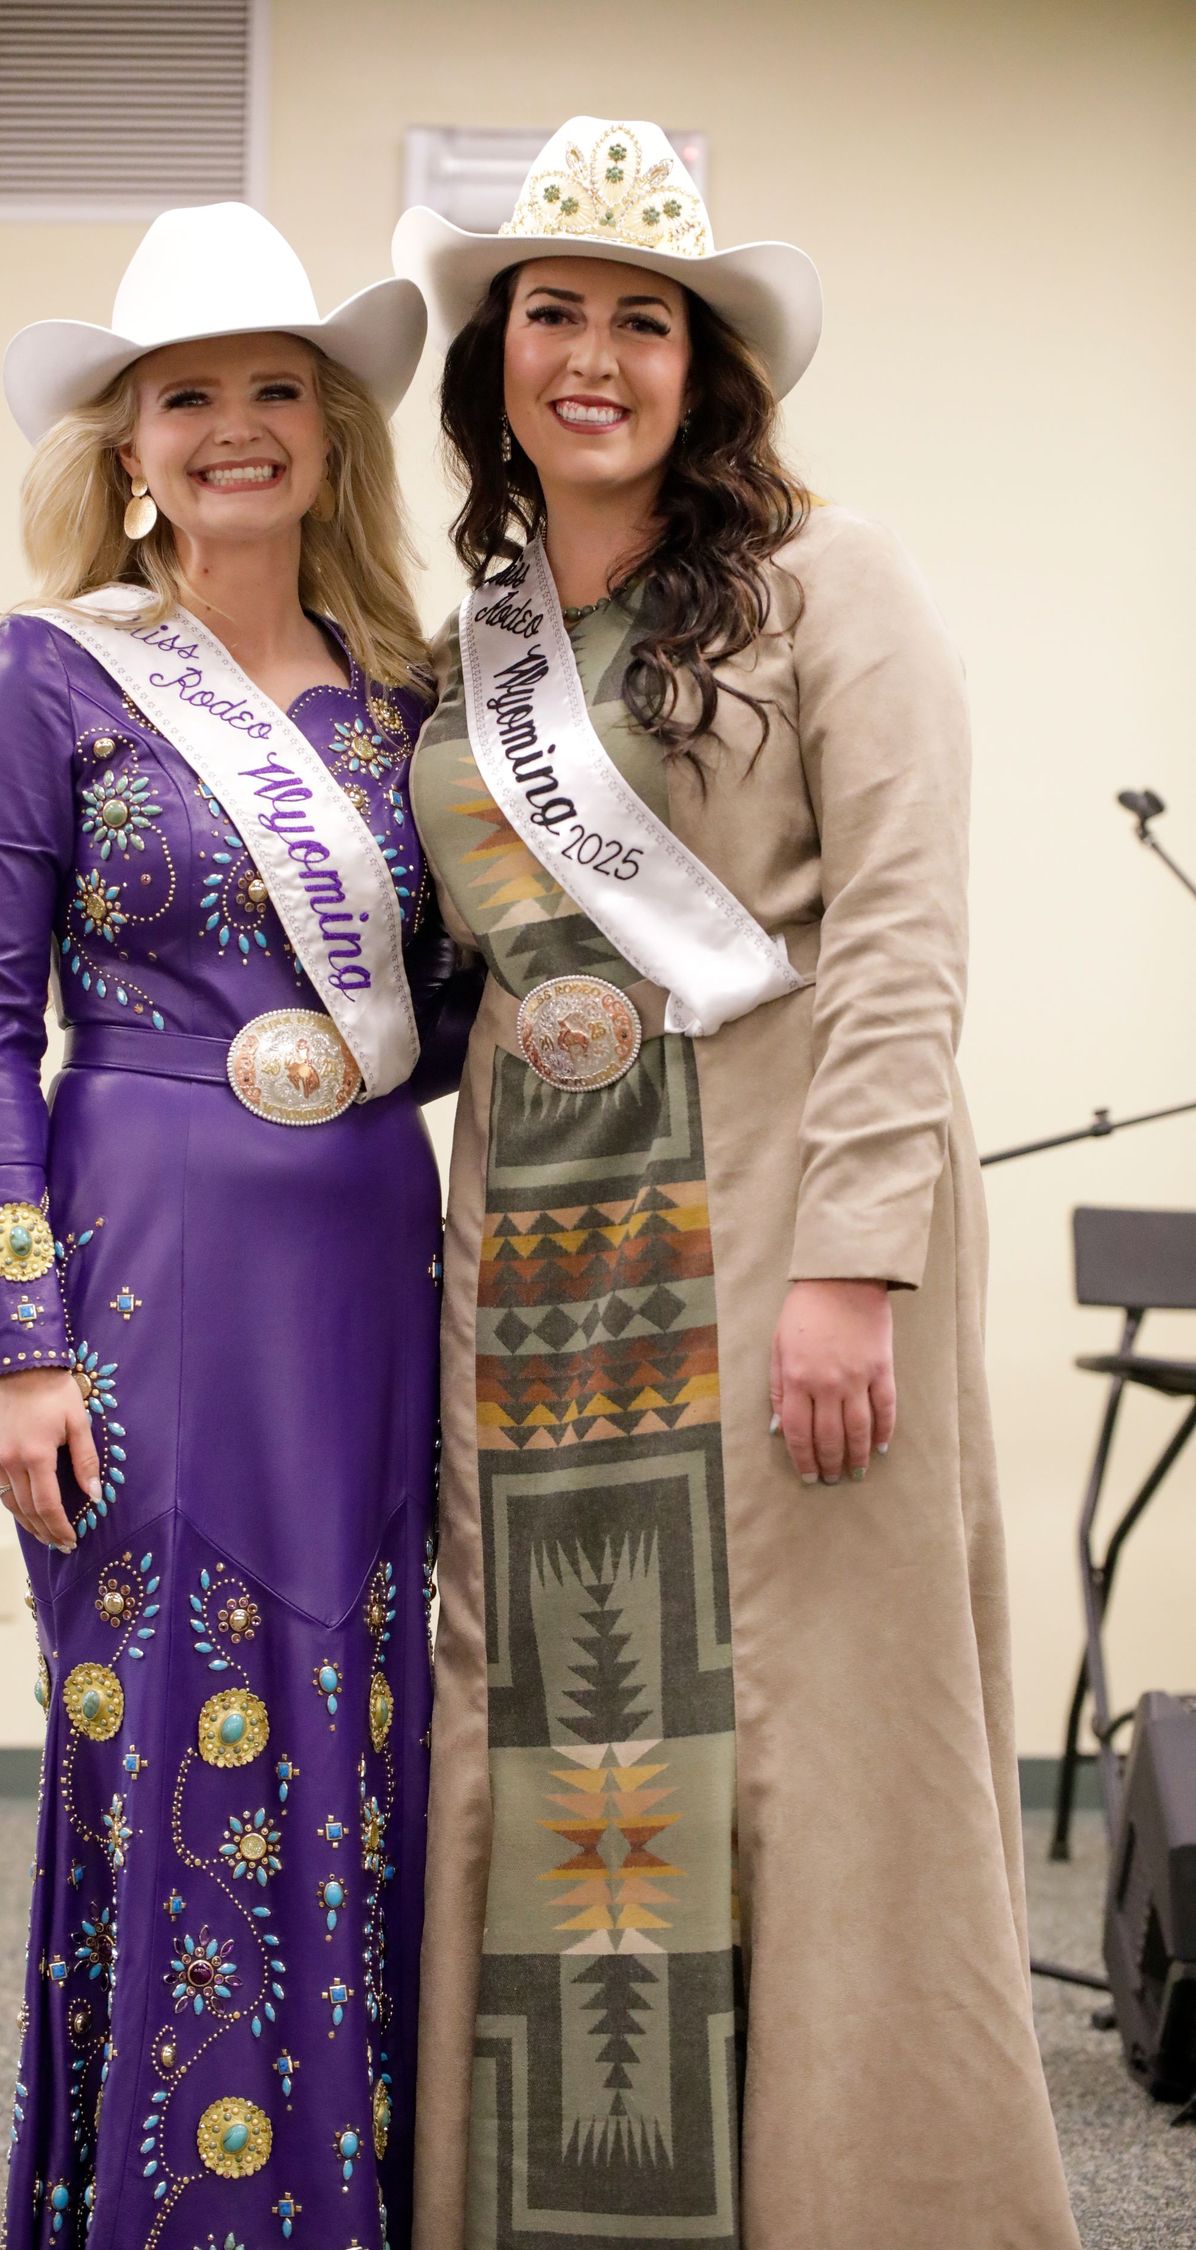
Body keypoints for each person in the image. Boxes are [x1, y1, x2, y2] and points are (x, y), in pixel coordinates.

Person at [392, 118, 1080, 2250]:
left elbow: (901, 931)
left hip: (783, 1224)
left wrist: (857, 1260)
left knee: (811, 1745)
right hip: (540, 1265)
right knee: (561, 1734)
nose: (592, 356)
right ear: (497, 354)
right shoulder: (468, 646)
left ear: (709, 366)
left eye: (643, 320)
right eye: (554, 314)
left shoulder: (830, 581)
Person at [0, 202, 471, 2249]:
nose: (233, 426)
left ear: (327, 429)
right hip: (142, 1284)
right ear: (127, 443)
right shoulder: (45, 677)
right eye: (188, 397)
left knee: (360, 1732)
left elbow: (453, 1025)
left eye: (272, 389)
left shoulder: (409, 702)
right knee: (167, 1732)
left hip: (362, 1281)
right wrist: (18, 1341)